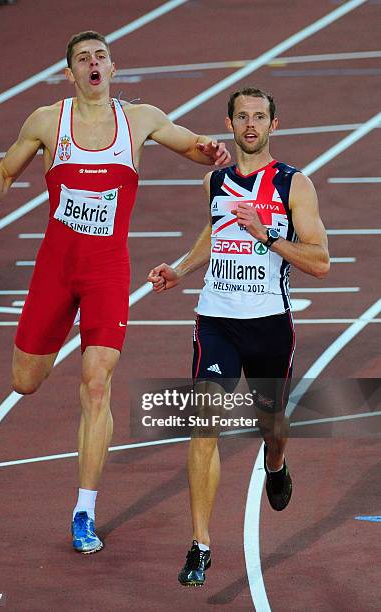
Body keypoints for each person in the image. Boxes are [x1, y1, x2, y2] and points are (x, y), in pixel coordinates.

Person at [0, 31, 231, 555]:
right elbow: (6, 169)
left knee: (96, 382)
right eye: (83, 59)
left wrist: (211, 150)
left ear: (113, 67)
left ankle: (84, 510)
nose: (93, 64)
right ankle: (46, 359)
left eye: (100, 56)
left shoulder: (139, 119)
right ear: (70, 73)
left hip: (107, 273)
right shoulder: (46, 121)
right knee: (25, 381)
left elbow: (190, 144)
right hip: (55, 273)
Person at [148, 87, 330, 586]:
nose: (251, 125)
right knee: (203, 428)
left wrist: (266, 234)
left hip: (270, 325)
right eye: (242, 116)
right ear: (230, 123)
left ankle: (276, 463)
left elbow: (320, 261)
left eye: (260, 117)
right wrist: (182, 268)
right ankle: (201, 544)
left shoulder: (295, 185)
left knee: (272, 425)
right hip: (217, 321)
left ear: (274, 124)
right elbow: (215, 229)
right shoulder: (215, 180)